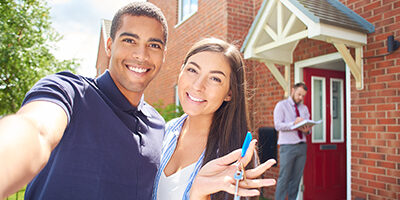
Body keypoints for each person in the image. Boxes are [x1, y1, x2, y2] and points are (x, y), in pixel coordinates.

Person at [0, 2, 168, 199]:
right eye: (130, 41)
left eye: (154, 45)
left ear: (164, 55)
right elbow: (36, 130)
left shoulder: (159, 126)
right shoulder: (70, 92)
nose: (141, 54)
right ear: (109, 46)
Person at [152, 38, 277, 200]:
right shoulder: (162, 132)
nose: (198, 85)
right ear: (181, 71)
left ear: (229, 93)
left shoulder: (237, 156)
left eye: (215, 79)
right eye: (192, 70)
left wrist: (199, 195)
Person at [273, 82, 313, 200]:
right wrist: (293, 124)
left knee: (296, 179)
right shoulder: (281, 105)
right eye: (299, 94)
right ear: (292, 91)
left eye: (303, 96)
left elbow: (308, 129)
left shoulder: (304, 108)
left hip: (302, 146)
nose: (300, 98)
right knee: (284, 178)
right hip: (287, 147)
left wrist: (307, 130)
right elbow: (278, 126)